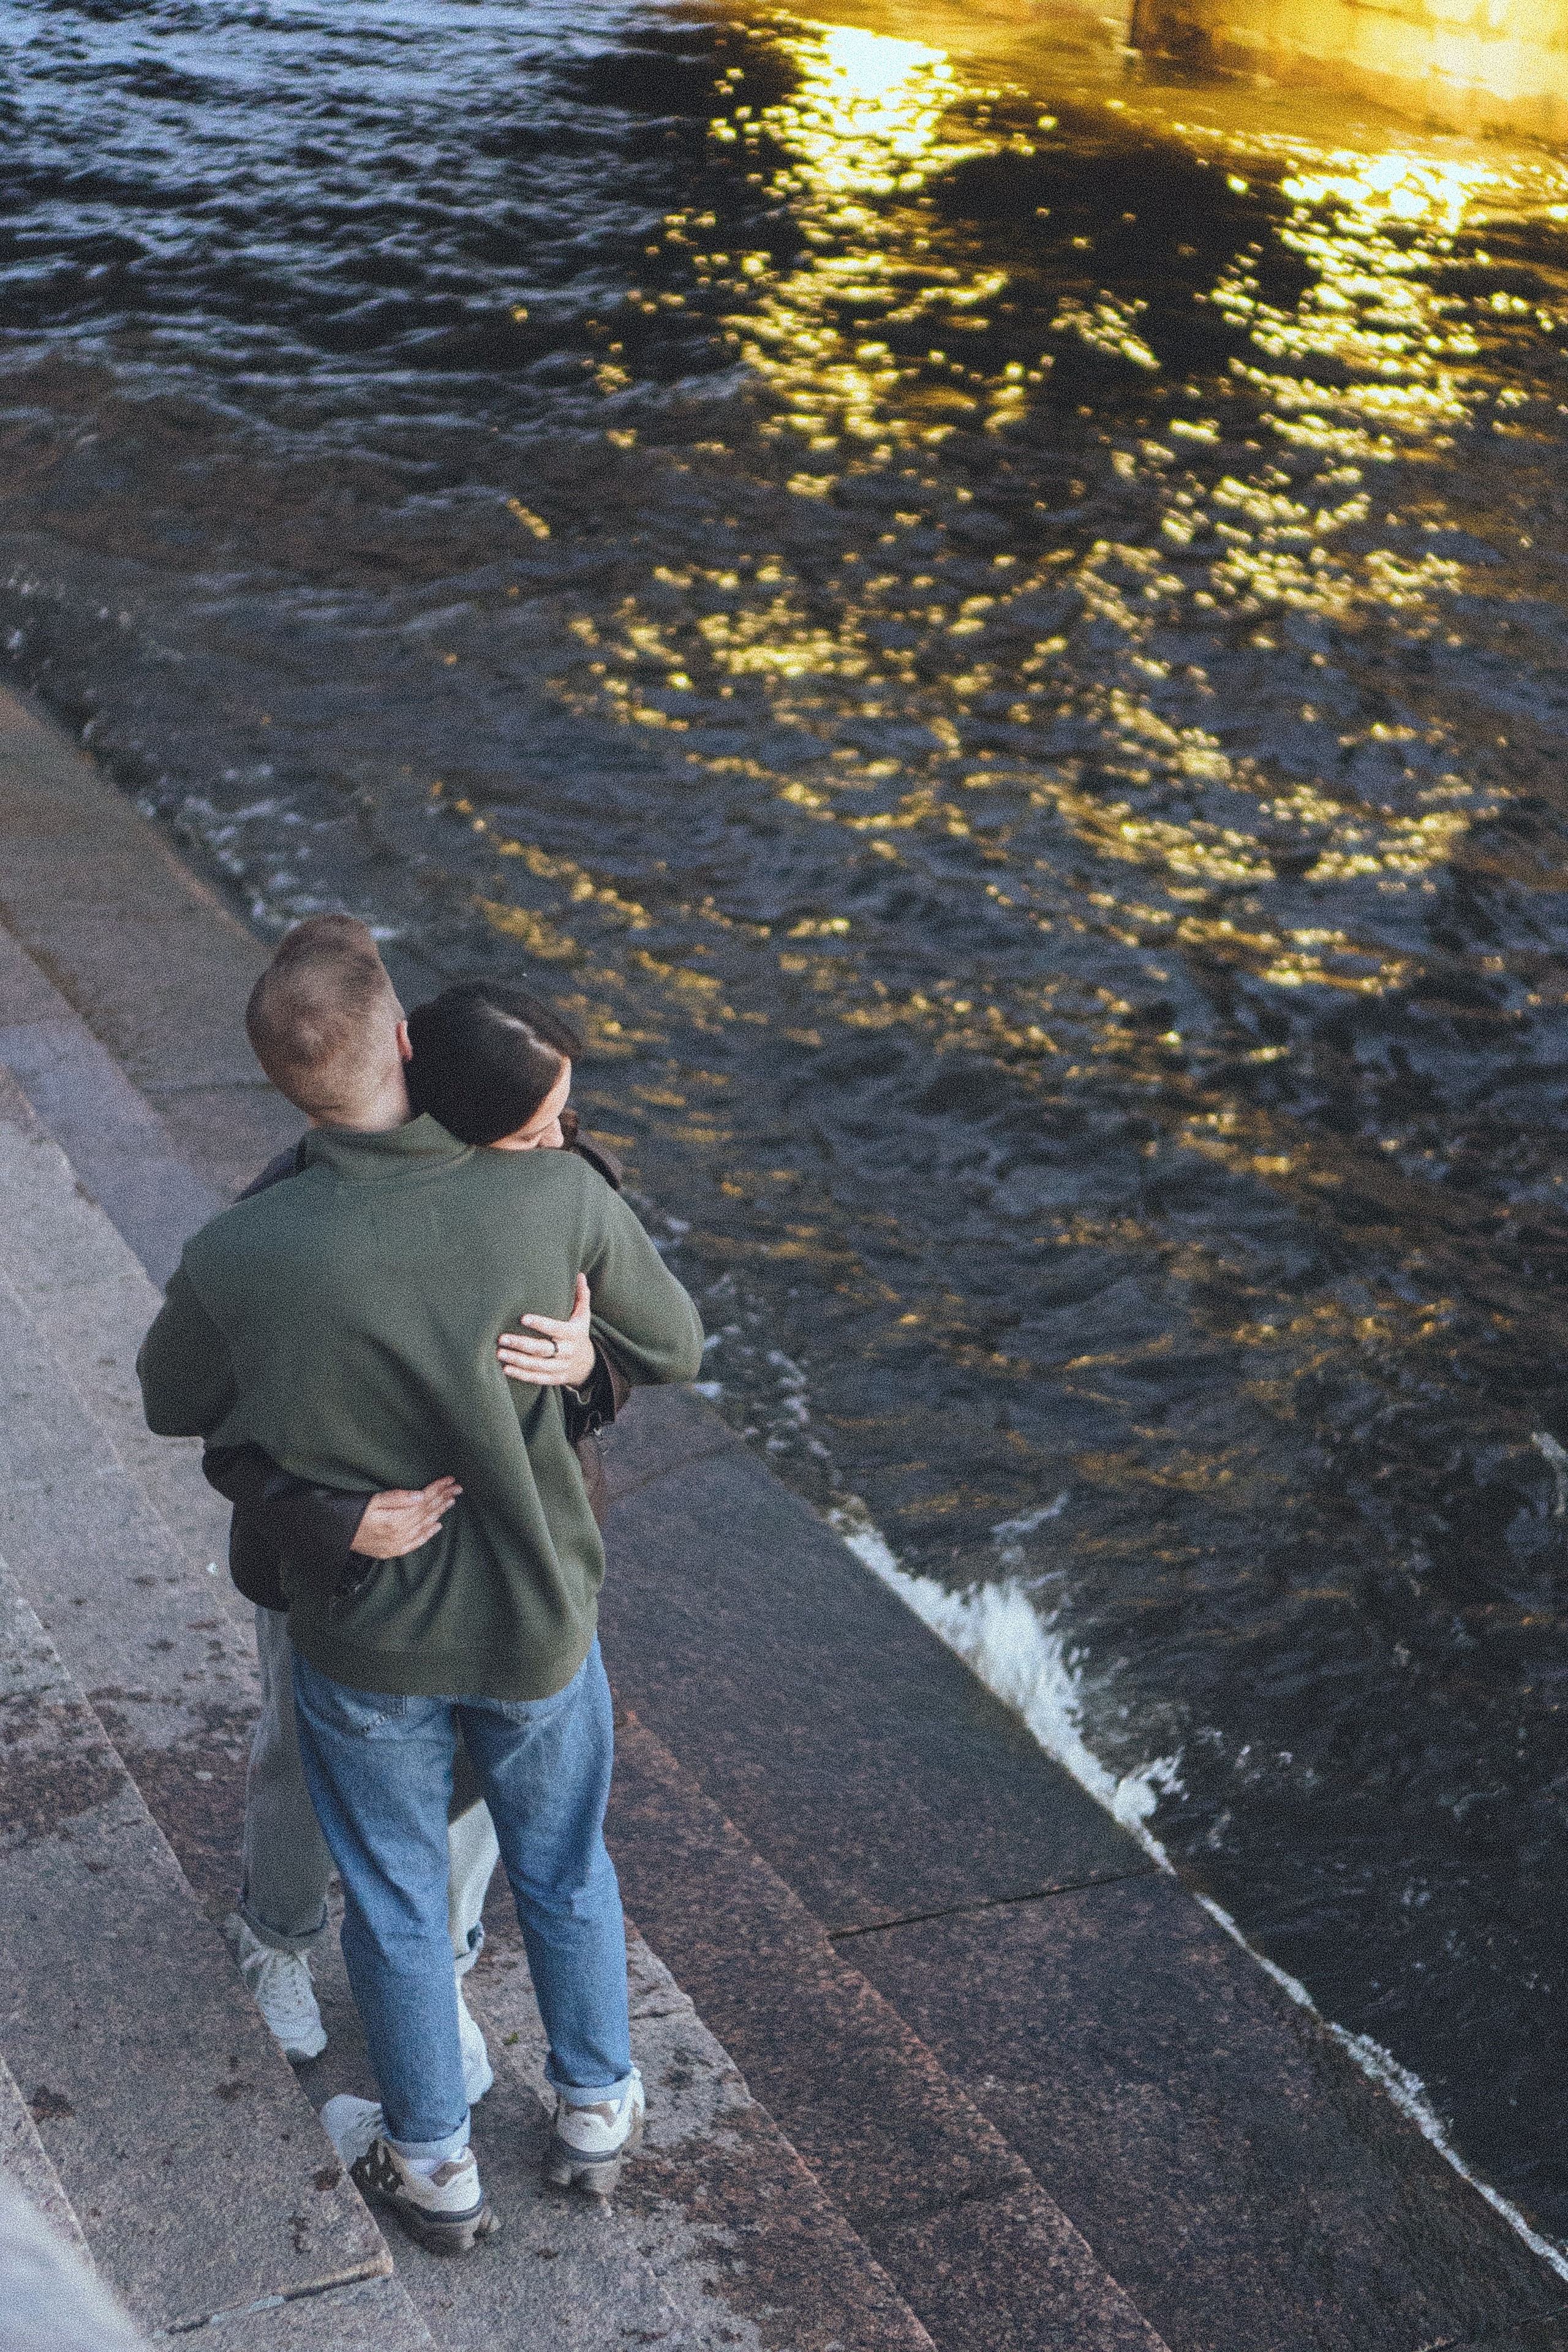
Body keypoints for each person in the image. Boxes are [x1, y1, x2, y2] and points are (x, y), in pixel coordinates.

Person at [138, 925, 704, 2253]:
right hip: (535, 1620)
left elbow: (173, 1402)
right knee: (564, 1868)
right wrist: (577, 1360)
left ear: (279, 1083)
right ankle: (596, 2108)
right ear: (406, 1042)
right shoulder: (553, 1196)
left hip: (367, 1637)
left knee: (390, 1898)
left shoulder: (245, 1250)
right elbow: (672, 1340)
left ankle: (433, 2164)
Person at [207, 968, 630, 2087]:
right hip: (343, 1567)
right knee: (301, 1759)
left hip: (512, 1549)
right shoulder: (294, 1202)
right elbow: (216, 1406)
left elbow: (632, 1328)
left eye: (563, 1128)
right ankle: (278, 1939)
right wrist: (335, 1516)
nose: (557, 1148)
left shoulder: (557, 1174)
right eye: (539, 1129)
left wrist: (592, 1366)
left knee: (485, 1787)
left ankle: (434, 1966)